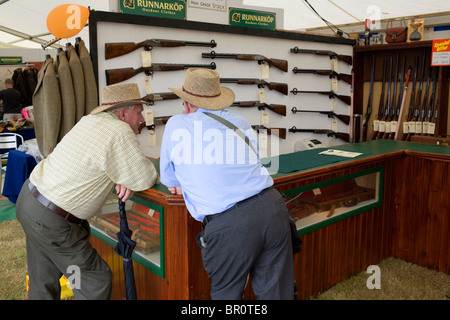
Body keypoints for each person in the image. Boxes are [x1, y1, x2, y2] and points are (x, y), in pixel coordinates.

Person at [160, 68, 294, 299]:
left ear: (187, 103)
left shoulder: (176, 124)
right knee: (277, 294)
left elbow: (170, 180)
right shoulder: (239, 121)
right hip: (272, 208)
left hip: (229, 225)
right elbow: (253, 160)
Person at [16, 82, 158, 300]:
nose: (142, 118)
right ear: (122, 113)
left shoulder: (90, 121)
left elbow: (101, 161)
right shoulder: (119, 131)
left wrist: (122, 175)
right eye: (139, 112)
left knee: (43, 282)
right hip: (53, 222)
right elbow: (145, 177)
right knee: (94, 280)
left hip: (30, 202)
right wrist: (126, 177)